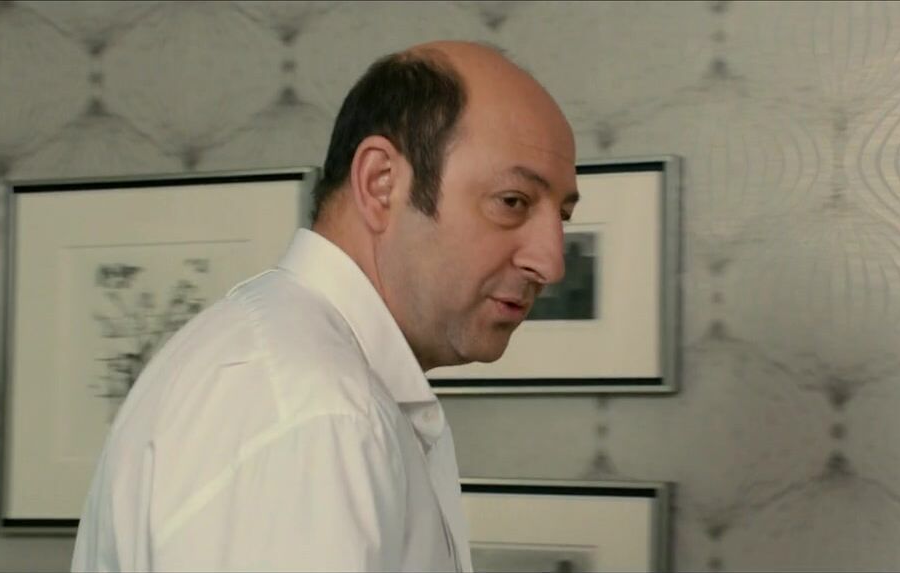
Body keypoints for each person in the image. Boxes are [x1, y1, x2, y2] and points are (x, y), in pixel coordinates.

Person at [70, 40, 580, 572]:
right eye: (512, 202)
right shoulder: (319, 414)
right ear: (380, 184)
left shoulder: (286, 371)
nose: (551, 262)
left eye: (562, 216)